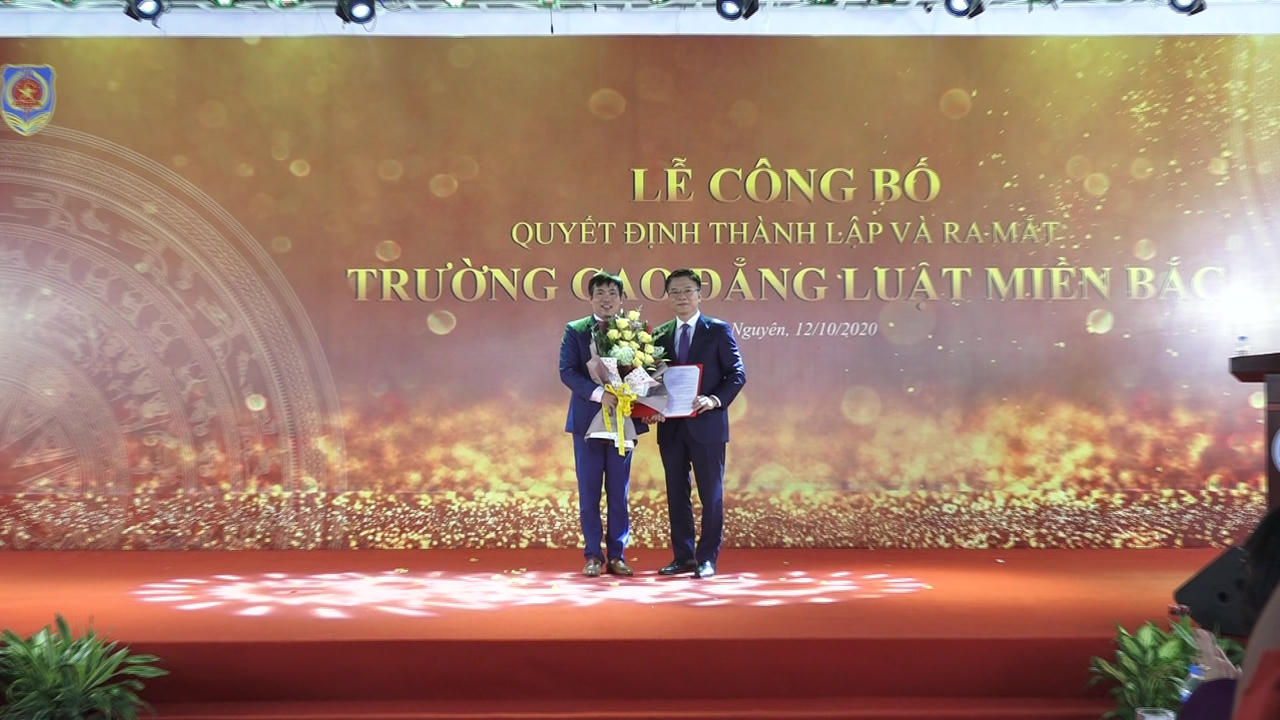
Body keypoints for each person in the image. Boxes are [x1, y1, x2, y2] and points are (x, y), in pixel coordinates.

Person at [650, 268, 745, 580]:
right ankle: (683, 557)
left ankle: (707, 559)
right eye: (675, 292)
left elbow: (737, 374)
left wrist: (714, 400)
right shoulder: (658, 335)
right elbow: (650, 381)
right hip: (671, 427)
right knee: (676, 494)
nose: (682, 297)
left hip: (707, 426)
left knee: (710, 495)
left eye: (687, 290)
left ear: (699, 294)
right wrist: (651, 407)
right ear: (668, 297)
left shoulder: (717, 330)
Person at [558, 272, 643, 578]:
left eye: (612, 293)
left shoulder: (635, 331)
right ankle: (593, 555)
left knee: (619, 493)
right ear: (590, 298)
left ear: (621, 299)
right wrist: (599, 394)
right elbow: (567, 371)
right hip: (588, 424)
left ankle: (617, 555)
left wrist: (643, 400)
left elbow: (644, 372)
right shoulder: (576, 330)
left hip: (622, 421)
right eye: (600, 293)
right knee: (589, 492)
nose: (606, 299)